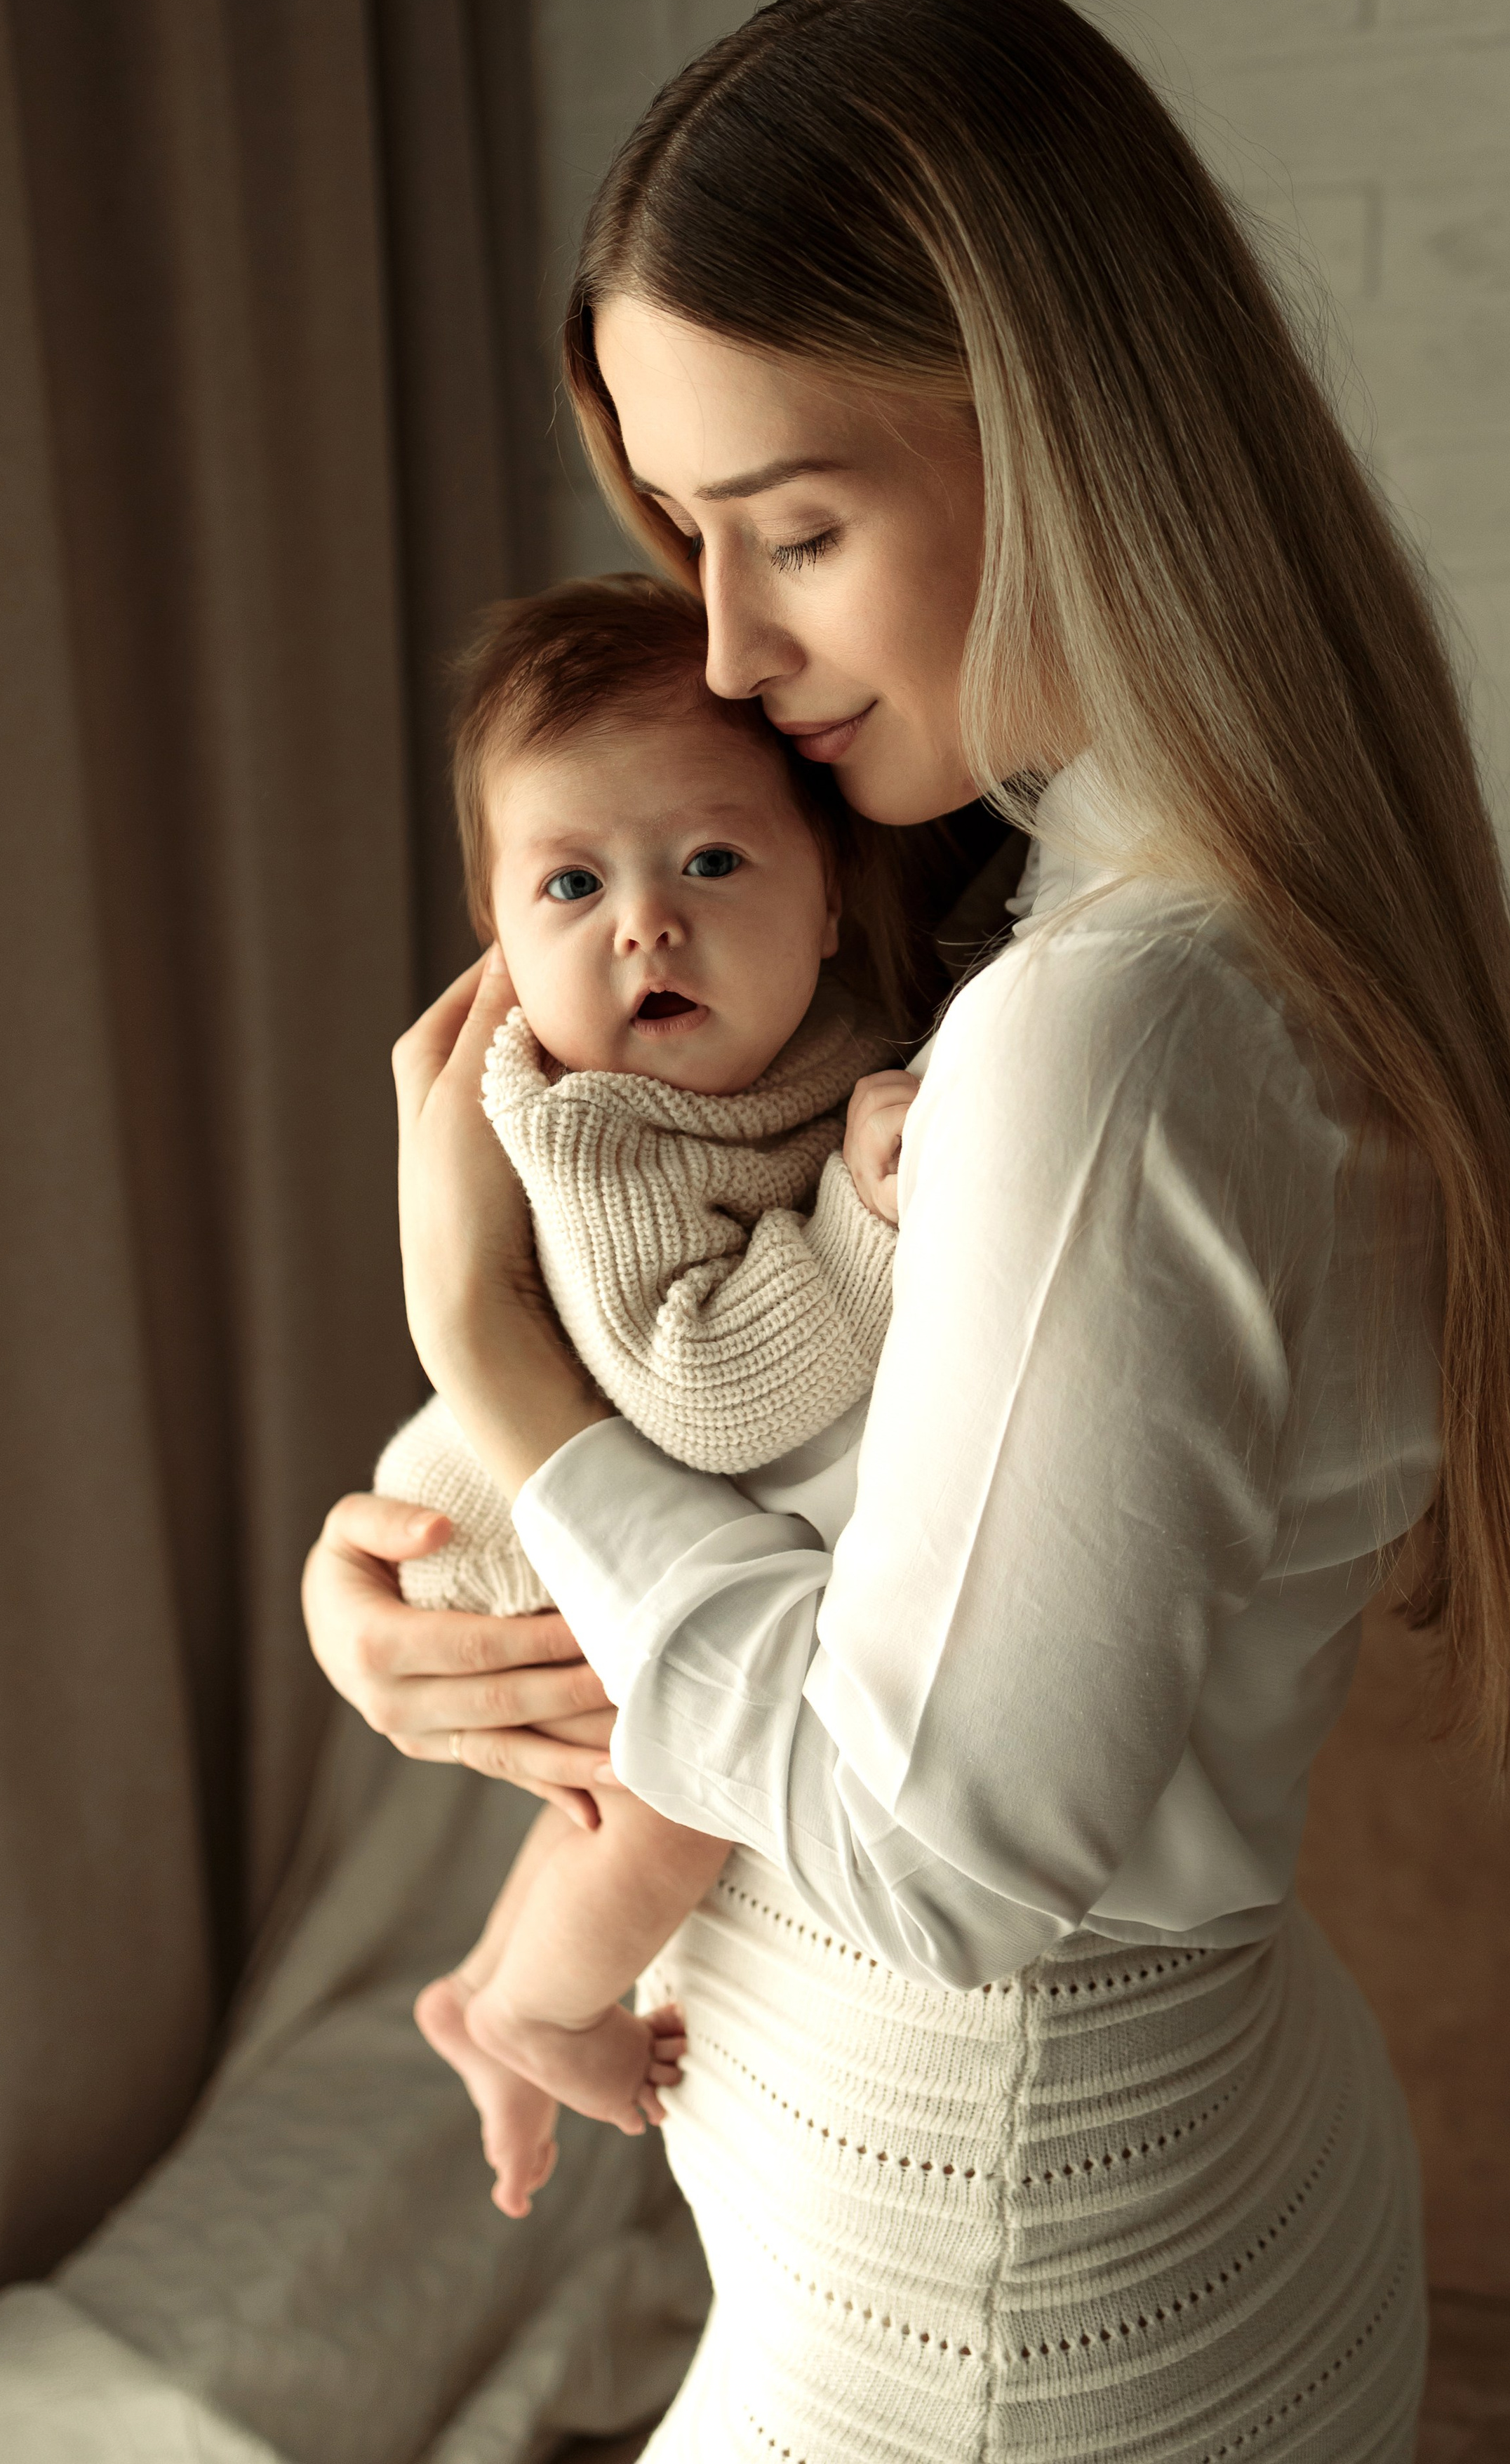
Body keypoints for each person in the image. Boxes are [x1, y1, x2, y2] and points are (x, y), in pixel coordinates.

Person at [305, 0, 1510, 2460]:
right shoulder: (1079, 915)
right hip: (1045, 2240)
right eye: (687, 537)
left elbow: (939, 1860)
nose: (723, 646)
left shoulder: (1116, 1028)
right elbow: (845, 1514)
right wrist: (430, 1600)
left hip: (990, 2302)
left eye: (795, 527)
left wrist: (490, 1356)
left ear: (1069, 434)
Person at [374, 571, 917, 2213]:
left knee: (621, 1788)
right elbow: (704, 1398)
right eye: (570, 883)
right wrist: (870, 1223)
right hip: (501, 1526)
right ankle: (539, 2011)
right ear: (498, 946)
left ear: (828, 903)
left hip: (558, 1494)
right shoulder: (591, 1124)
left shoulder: (805, 1049)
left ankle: (478, 1988)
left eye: (711, 861)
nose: (645, 925)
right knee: (677, 1791)